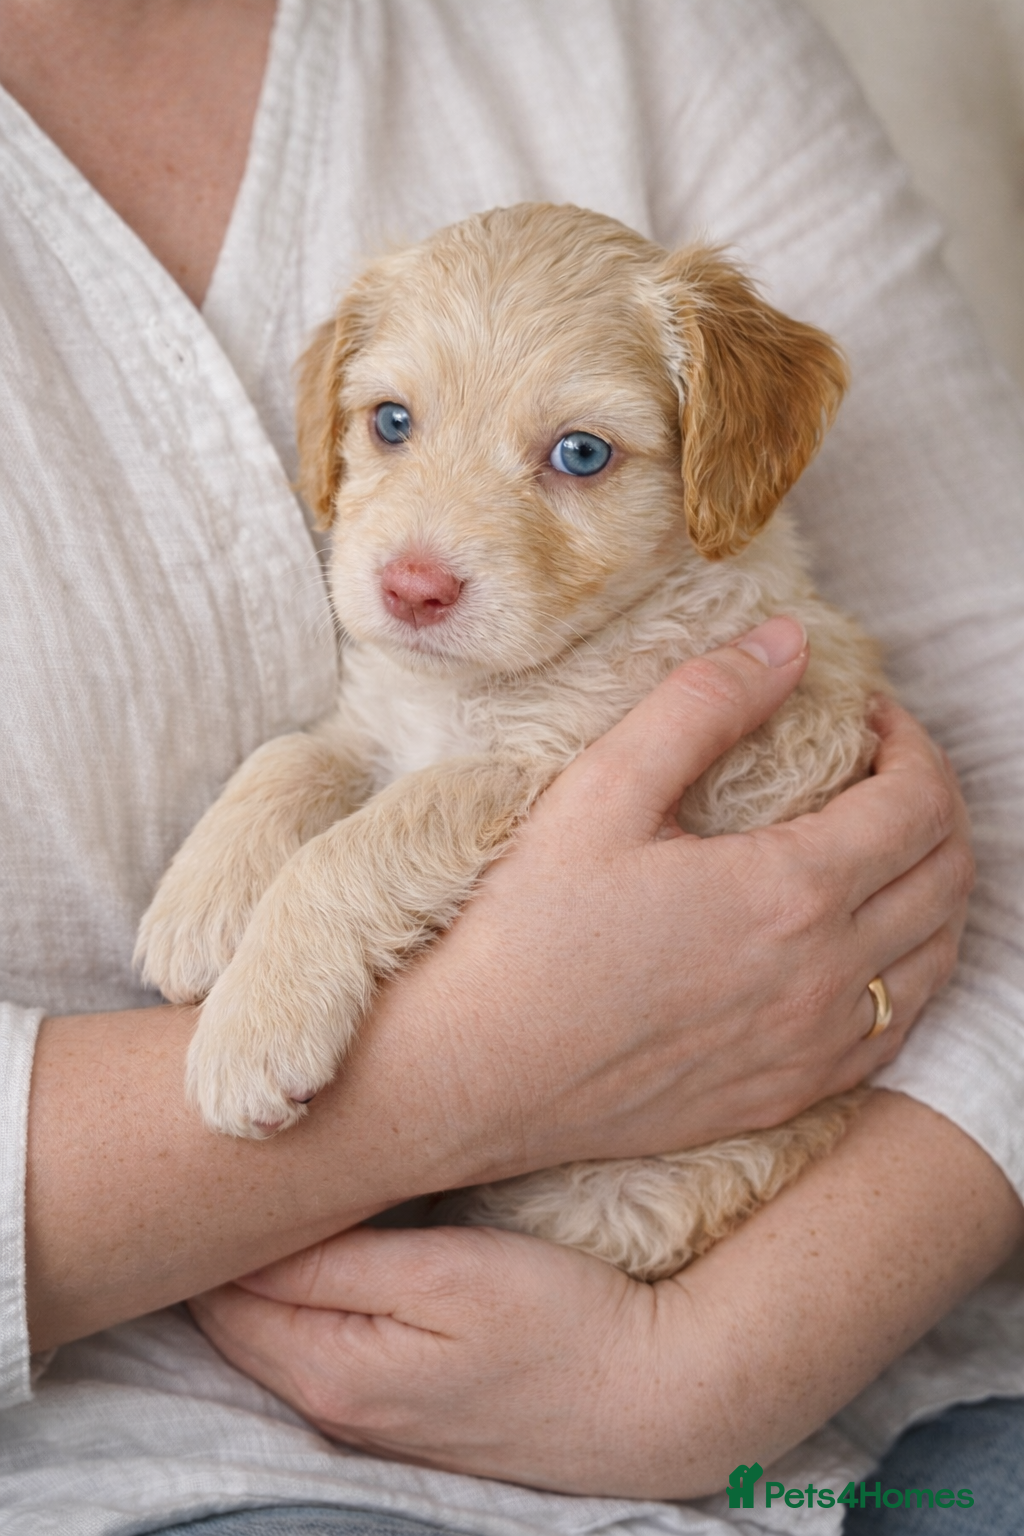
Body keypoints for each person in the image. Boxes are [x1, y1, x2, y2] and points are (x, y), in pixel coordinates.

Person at [1, 1, 1022, 1532]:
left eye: (579, 456)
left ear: (726, 457)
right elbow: (395, 763)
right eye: (392, 425)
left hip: (827, 1335)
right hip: (178, 1453)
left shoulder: (662, 44)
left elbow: (486, 798)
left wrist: (715, 1371)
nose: (426, 551)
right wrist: (425, 1062)